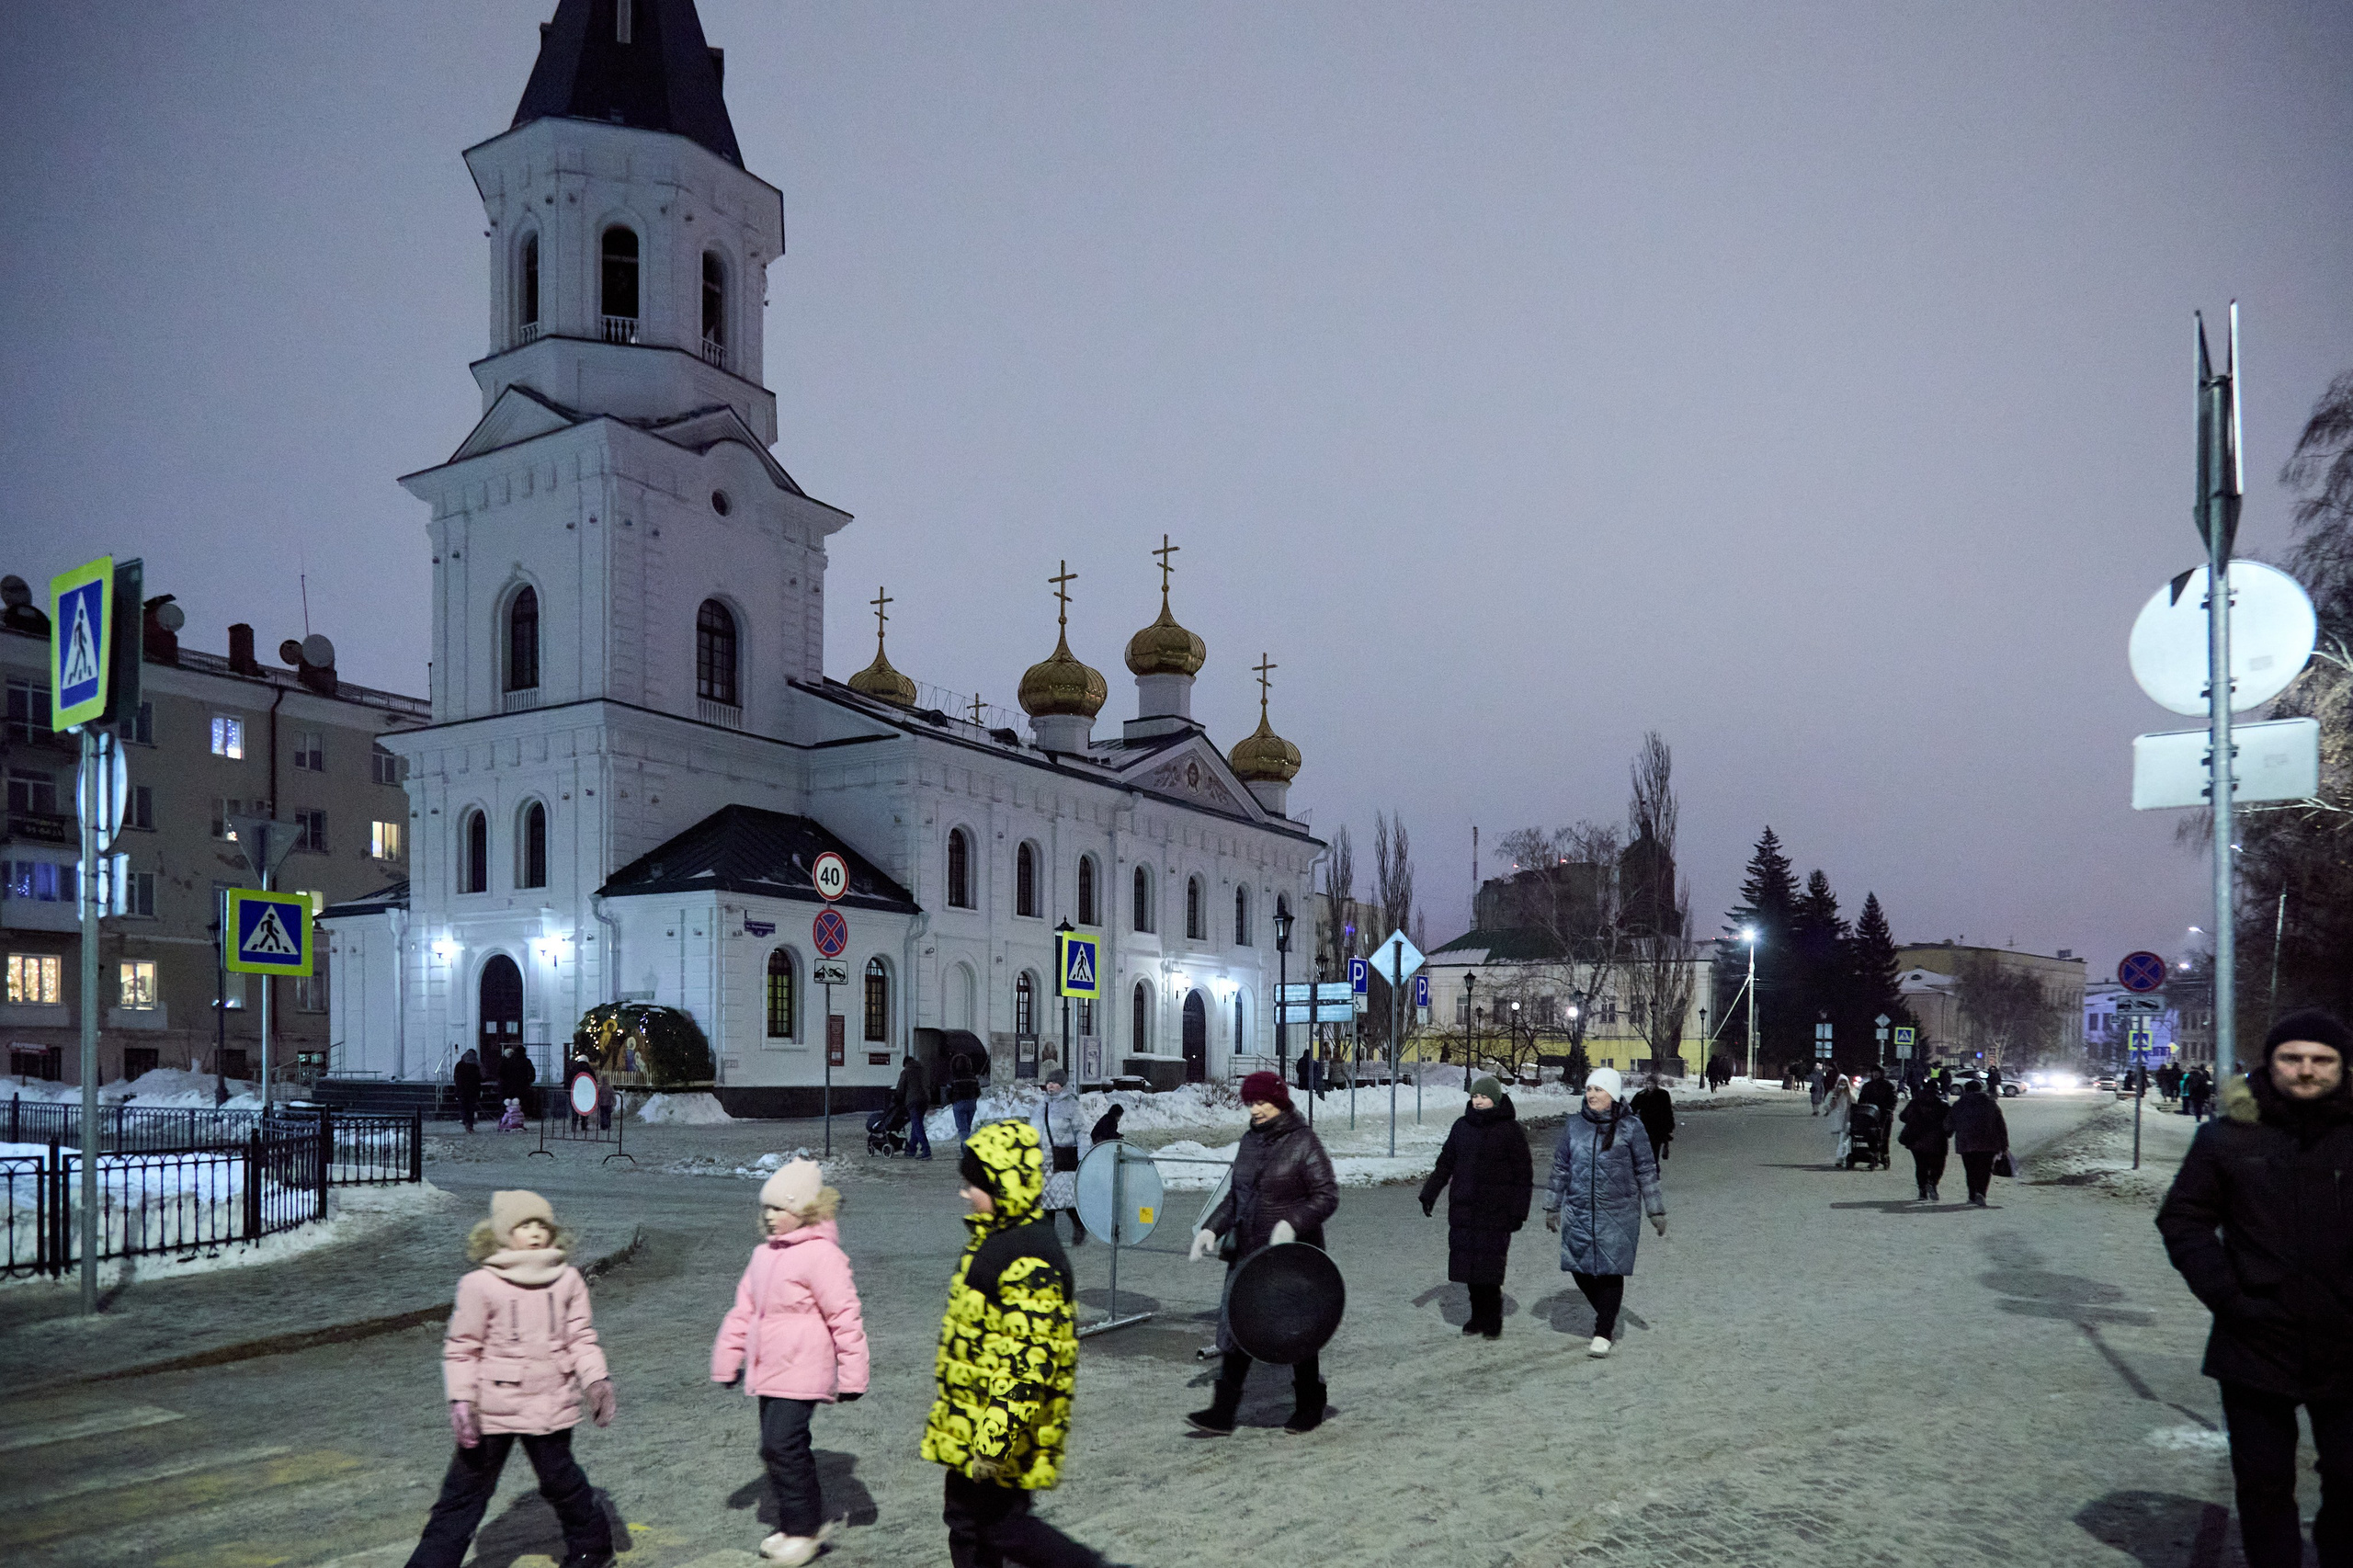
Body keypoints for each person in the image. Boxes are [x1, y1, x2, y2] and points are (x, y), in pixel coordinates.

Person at [2158, 1010, 2353, 1568]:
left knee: (2348, 1473)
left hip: (2348, 1339)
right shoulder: (2227, 1137)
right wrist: (2229, 1295)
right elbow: (2184, 1219)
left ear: (2343, 1067)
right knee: (2264, 1483)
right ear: (2269, 1064)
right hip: (2255, 1339)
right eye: (2292, 1058)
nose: (2306, 1071)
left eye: (2322, 1060)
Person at [921, 1120, 1113, 1568]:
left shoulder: (1028, 1255)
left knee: (999, 1527)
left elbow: (1028, 1364)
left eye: (976, 1185)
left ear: (1005, 1186)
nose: (966, 1194)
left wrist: (993, 1442)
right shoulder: (999, 1238)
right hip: (977, 1419)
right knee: (975, 1526)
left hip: (1000, 1431)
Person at [404, 1190, 615, 1568]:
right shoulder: (480, 1285)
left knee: (561, 1482)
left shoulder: (566, 1281)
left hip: (550, 1403)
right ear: (503, 1234)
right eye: (523, 1226)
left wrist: (596, 1380)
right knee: (464, 1493)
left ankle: (594, 1550)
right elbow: (462, 1348)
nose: (534, 1233)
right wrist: (462, 1400)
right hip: (492, 1408)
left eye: (541, 1226)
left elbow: (581, 1338)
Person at [712, 1159, 869, 1567]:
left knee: (782, 1444)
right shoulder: (763, 1255)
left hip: (803, 1368)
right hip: (769, 1371)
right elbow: (743, 1310)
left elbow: (844, 1315)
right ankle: (794, 1523)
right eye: (766, 1208)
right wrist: (728, 1358)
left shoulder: (822, 1255)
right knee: (775, 1449)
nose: (769, 1216)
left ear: (805, 1211)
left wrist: (853, 1374)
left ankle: (806, 1531)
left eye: (779, 1208)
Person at [1188, 1071, 1340, 1435]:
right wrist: (1211, 1228)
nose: (1255, 1110)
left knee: (1294, 1330)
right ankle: (1223, 1412)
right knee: (1239, 1326)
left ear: (1280, 1102)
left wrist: (1292, 1223)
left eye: (1262, 1102)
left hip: (1290, 1258)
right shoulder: (1249, 1141)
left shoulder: (1304, 1142)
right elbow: (1236, 1195)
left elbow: (1327, 1195)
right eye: (1251, 1103)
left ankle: (1309, 1403)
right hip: (1248, 1251)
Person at [1543, 1067, 1665, 1358]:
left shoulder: (1631, 1127)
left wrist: (1655, 1210)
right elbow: (1561, 1166)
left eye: (1599, 1089)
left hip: (1618, 1210)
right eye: (1589, 1089)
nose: (1592, 1094)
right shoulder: (1574, 1125)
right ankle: (1608, 1312)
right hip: (1580, 1209)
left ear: (1613, 1094)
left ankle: (1603, 1331)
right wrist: (1552, 1204)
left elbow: (1646, 1170)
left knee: (1610, 1272)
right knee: (1578, 1267)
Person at [1418, 1076, 1533, 1338]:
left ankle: (1492, 1318)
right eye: (1474, 1097)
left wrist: (1518, 1211)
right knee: (1469, 1268)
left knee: (1489, 1269)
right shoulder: (1461, 1127)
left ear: (1496, 1098)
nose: (1478, 1101)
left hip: (1495, 1211)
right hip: (1464, 1208)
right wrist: (1430, 1193)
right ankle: (1477, 1317)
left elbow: (1523, 1175)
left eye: (1483, 1097)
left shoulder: (1510, 1130)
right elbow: (1445, 1163)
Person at [1029, 1070, 1086, 1244]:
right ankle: (1048, 1238)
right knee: (1046, 1200)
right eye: (1048, 1083)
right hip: (1043, 1161)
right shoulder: (1041, 1105)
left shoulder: (1072, 1105)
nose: (1051, 1086)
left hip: (1063, 1159)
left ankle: (1079, 1227)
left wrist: (1083, 1156)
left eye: (1054, 1082)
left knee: (1067, 1198)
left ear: (1062, 1085)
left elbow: (1082, 1132)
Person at [1947, 1078, 2010, 1206]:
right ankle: (1981, 1193)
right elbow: (2000, 1125)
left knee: (1970, 1170)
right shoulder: (1991, 1104)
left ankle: (1972, 1195)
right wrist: (2004, 1145)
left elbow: (1950, 1123)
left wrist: (1948, 1133)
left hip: (1966, 1142)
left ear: (1966, 1090)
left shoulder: (1959, 1104)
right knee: (1985, 1170)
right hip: (1989, 1143)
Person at [1897, 1078, 1951, 1201]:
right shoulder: (1943, 1105)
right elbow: (1950, 1123)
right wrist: (1948, 1133)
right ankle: (1932, 1183)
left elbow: (1903, 1117)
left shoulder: (1915, 1102)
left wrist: (1914, 1122)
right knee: (1937, 1165)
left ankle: (1922, 1190)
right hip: (1938, 1140)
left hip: (1917, 1139)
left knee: (1921, 1166)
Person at [1630, 1074, 1676, 1163]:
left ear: (1656, 1084)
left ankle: (1655, 1170)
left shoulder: (1663, 1095)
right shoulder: (1641, 1095)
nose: (1650, 1086)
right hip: (1644, 1128)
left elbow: (1668, 1112)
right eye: (1648, 1084)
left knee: (1655, 1152)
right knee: (1644, 1153)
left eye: (1652, 1084)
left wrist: (1669, 1128)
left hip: (1657, 1129)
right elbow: (1631, 1109)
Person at [1858, 1066, 1898, 1164]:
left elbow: (1893, 1099)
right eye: (1874, 1072)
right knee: (1870, 1133)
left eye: (1877, 1072)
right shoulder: (1867, 1086)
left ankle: (1884, 1154)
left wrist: (1889, 1109)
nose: (1875, 1074)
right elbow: (1862, 1099)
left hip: (1884, 1114)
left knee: (1884, 1136)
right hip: (1870, 1114)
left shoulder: (1888, 1086)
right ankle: (1873, 1151)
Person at [896, 1053, 933, 1161]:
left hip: (913, 1101)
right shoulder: (923, 1070)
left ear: (905, 1064)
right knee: (916, 1124)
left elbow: (901, 1088)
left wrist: (898, 1098)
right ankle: (912, 1149)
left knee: (917, 1125)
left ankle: (926, 1150)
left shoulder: (906, 1072)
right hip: (925, 1100)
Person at [949, 1053, 982, 1144]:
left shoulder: (954, 1078)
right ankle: (964, 1150)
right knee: (967, 1128)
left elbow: (948, 1092)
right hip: (971, 1103)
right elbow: (978, 1091)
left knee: (962, 1129)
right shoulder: (973, 1077)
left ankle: (968, 1151)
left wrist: (952, 1100)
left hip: (959, 1103)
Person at [498, 1043, 536, 1122]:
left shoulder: (509, 1060)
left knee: (507, 1103)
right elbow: (532, 1072)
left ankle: (505, 1119)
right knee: (520, 1103)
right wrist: (530, 1080)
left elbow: (501, 1071)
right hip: (522, 1085)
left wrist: (503, 1081)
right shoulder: (526, 1061)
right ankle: (518, 1120)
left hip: (508, 1085)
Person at [1824, 1072, 1855, 1165]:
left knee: (1843, 1139)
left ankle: (1840, 1159)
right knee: (1838, 1140)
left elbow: (1856, 1104)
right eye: (1841, 1082)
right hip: (1836, 1120)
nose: (1843, 1085)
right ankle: (1843, 1156)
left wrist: (1850, 1097)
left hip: (1847, 1119)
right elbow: (1827, 1107)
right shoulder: (1832, 1094)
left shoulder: (1851, 1094)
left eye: (1845, 1082)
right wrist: (1833, 1100)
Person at [454, 1048, 483, 1134]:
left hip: (462, 1090)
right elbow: (479, 1079)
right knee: (471, 1108)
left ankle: (466, 1122)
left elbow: (456, 1078)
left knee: (463, 1107)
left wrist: (457, 1090)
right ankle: (470, 1125)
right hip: (472, 1090)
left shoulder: (459, 1064)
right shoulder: (475, 1065)